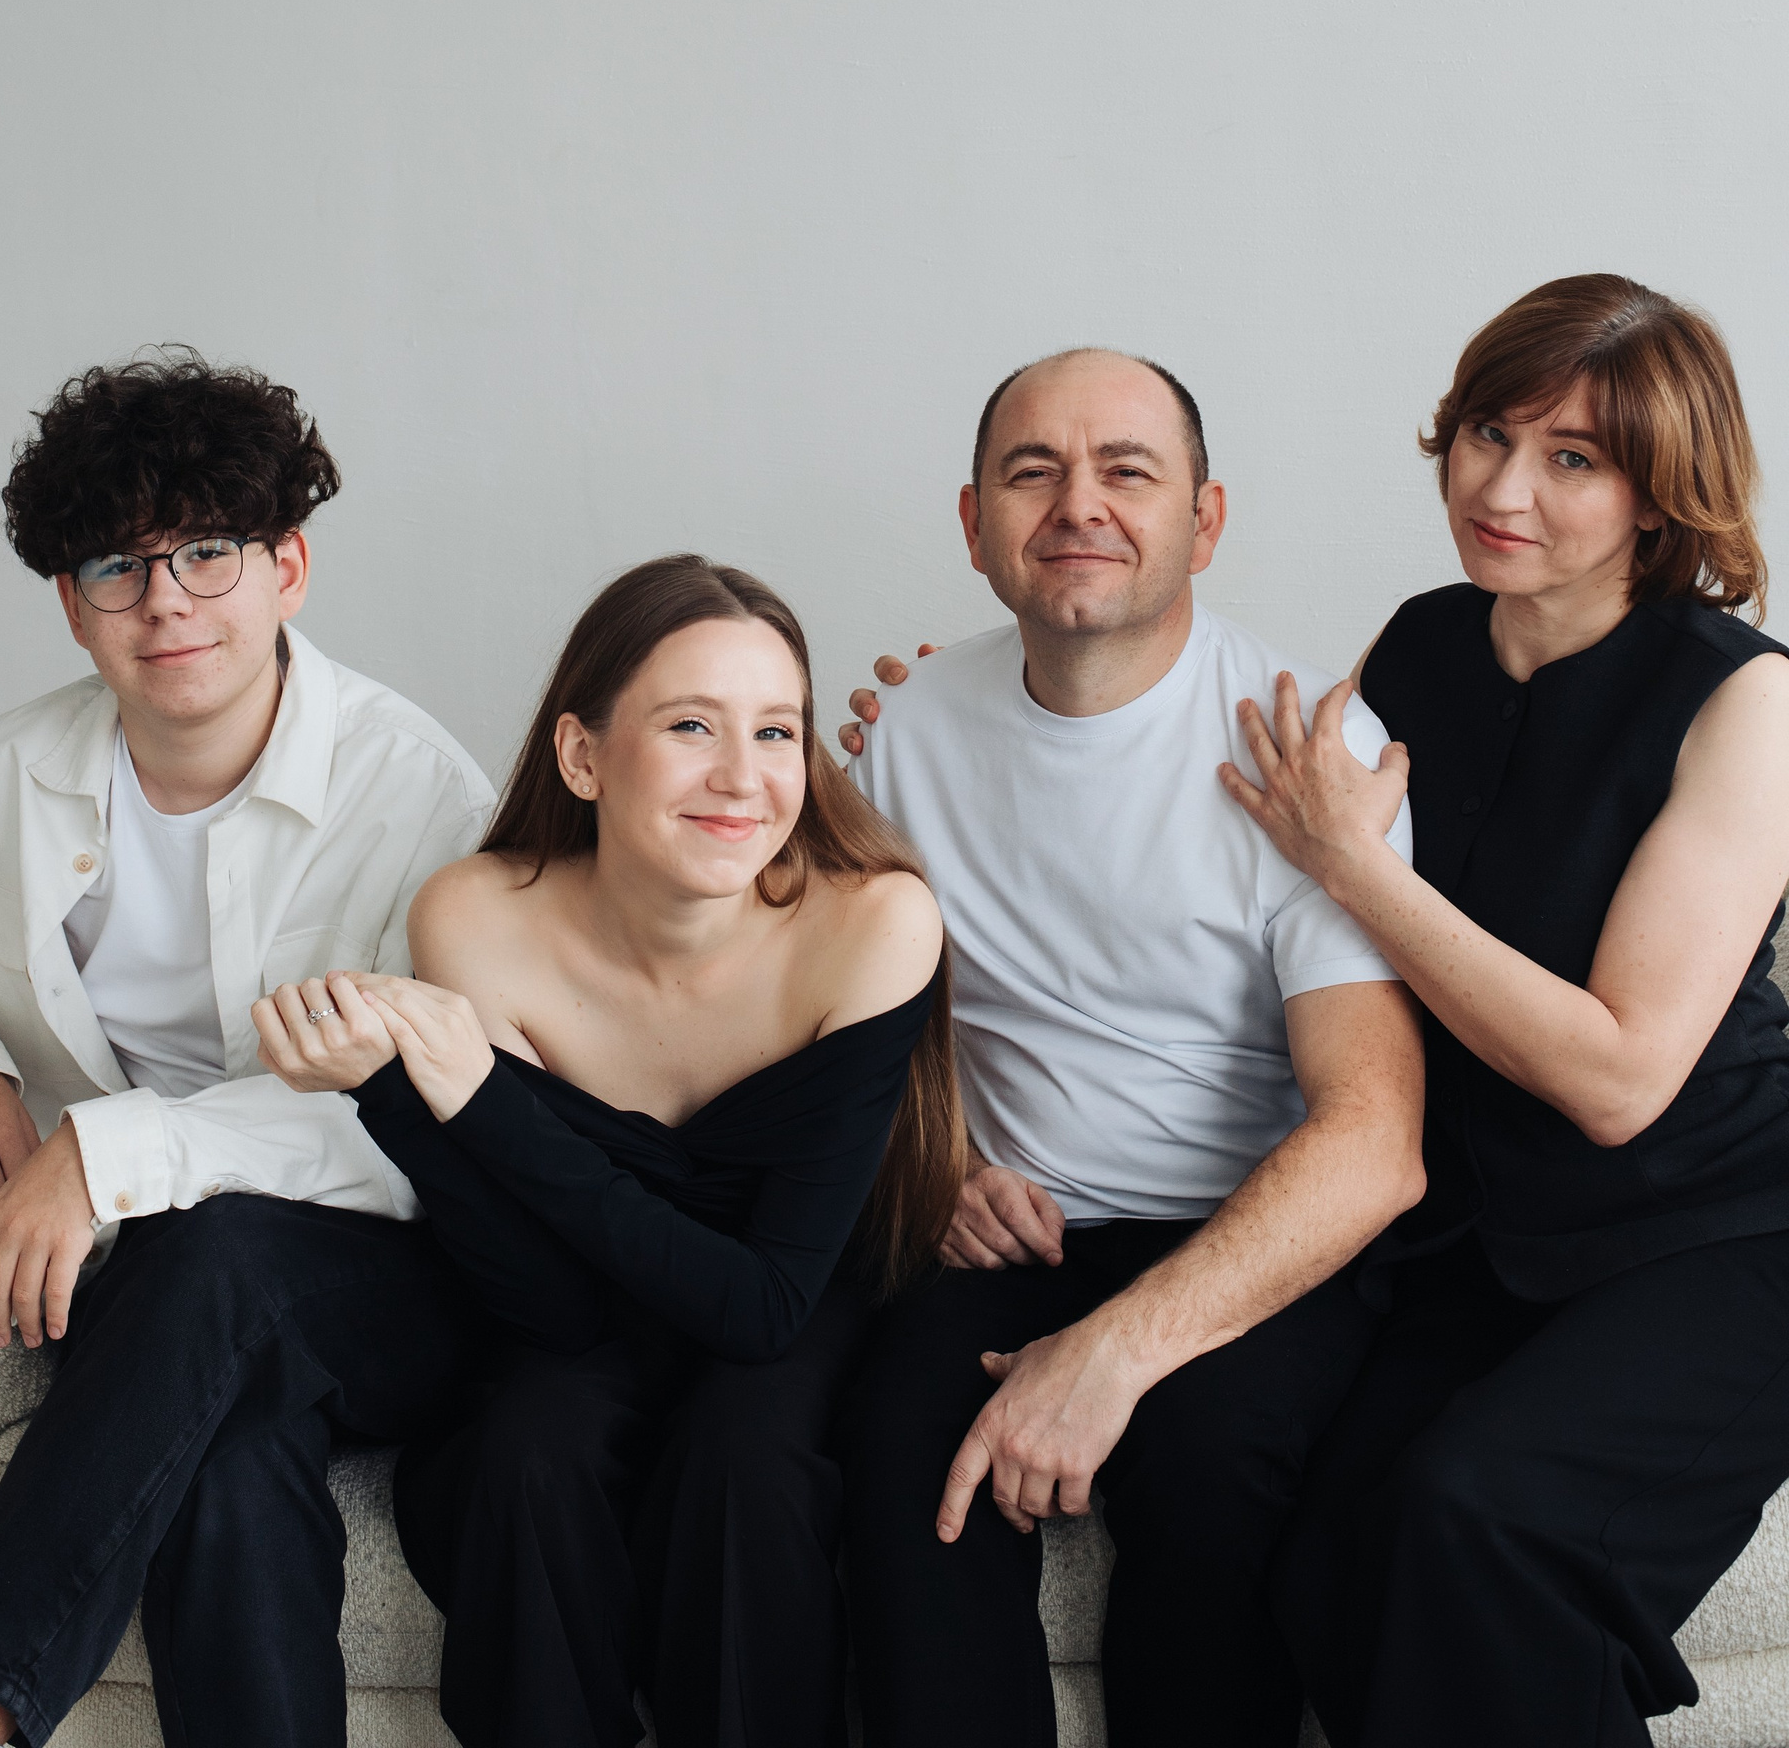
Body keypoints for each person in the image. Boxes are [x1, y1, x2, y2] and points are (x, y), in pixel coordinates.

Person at [0, 351, 495, 1748]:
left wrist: (106, 1151)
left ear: (289, 569)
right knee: (219, 1461)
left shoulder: (419, 796)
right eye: (118, 565)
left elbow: (422, 1113)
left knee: (213, 1248)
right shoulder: (0, 778)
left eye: (208, 552)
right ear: (72, 604)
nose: (166, 601)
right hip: (162, 1316)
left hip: (401, 1278)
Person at [256, 550, 961, 1748]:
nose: (743, 776)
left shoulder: (872, 920)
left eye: (777, 732)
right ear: (582, 756)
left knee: (744, 1462)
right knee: (525, 1451)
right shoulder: (477, 914)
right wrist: (393, 1093)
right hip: (589, 1305)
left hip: (792, 1292)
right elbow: (551, 1307)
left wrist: (482, 1097)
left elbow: (763, 1309)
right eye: (691, 725)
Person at [1220, 274, 1789, 1748]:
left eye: (1572, 457)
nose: (1501, 489)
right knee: (1325, 1556)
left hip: (1717, 1230)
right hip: (1483, 1234)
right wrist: (962, 743)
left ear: (1660, 496)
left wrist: (1358, 865)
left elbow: (1620, 1078)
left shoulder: (1746, 701)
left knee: (1475, 1520)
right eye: (1489, 433)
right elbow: (1234, 831)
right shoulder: (1421, 646)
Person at [833, 347, 1427, 1748]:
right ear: (974, 524)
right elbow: (834, 1027)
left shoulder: (1308, 749)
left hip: (1252, 1234)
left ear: (1204, 521)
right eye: (1031, 471)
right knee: (899, 1448)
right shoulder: (904, 732)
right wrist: (934, 1161)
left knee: (1211, 1464)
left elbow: (1373, 1138)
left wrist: (1110, 1356)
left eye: (1127, 471)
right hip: (1008, 1229)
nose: (1077, 504)